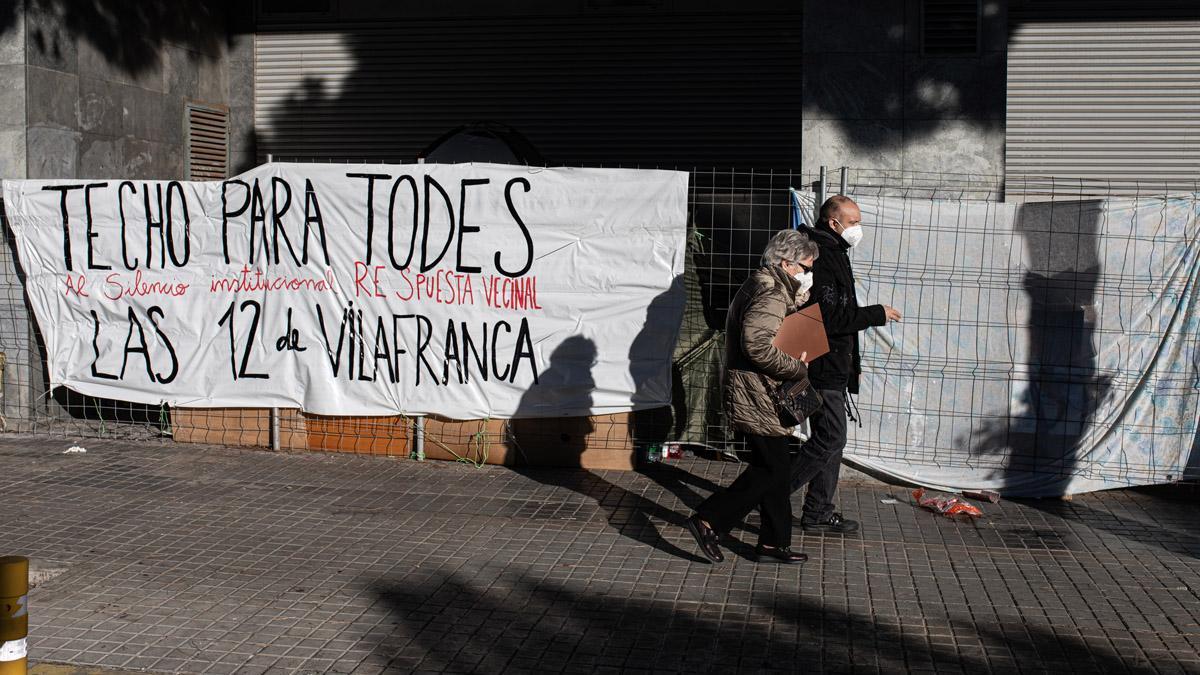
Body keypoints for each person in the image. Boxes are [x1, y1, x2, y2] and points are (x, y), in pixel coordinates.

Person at [685, 229, 819, 564]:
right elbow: (757, 345)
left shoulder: (765, 285)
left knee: (775, 467)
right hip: (757, 392)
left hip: (755, 388)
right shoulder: (772, 292)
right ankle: (709, 519)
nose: (808, 273)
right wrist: (796, 368)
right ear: (787, 264)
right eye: (805, 266)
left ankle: (774, 543)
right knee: (773, 468)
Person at [790, 195, 901, 533]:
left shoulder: (834, 252)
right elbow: (829, 317)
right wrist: (876, 314)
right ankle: (768, 495)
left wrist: (852, 364)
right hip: (818, 361)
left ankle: (818, 511)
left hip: (831, 361)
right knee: (831, 437)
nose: (858, 229)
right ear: (833, 223)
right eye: (853, 222)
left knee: (831, 438)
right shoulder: (821, 257)